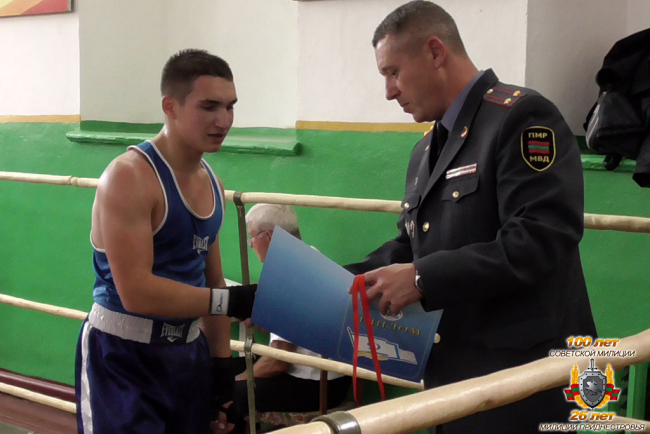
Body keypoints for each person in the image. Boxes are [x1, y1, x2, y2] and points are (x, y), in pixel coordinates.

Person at [344, 2, 597, 433]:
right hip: (454, 376)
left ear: (435, 52)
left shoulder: (522, 117)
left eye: (393, 72)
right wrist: (337, 280)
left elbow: (540, 237)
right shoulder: (425, 150)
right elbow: (410, 245)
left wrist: (421, 278)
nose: (389, 91)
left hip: (527, 381)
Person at [74, 49, 256, 434]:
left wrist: (221, 372)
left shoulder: (213, 183)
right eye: (209, 106)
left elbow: (212, 281)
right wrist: (230, 302)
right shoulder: (129, 177)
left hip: (188, 356)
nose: (223, 120)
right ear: (170, 106)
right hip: (122, 357)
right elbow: (137, 292)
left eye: (230, 106)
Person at [231, 204, 350, 433]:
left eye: (252, 237)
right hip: (333, 378)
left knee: (228, 391)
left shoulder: (287, 274)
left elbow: (278, 362)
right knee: (224, 370)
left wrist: (239, 380)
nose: (250, 244)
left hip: (317, 386)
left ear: (269, 236)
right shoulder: (310, 255)